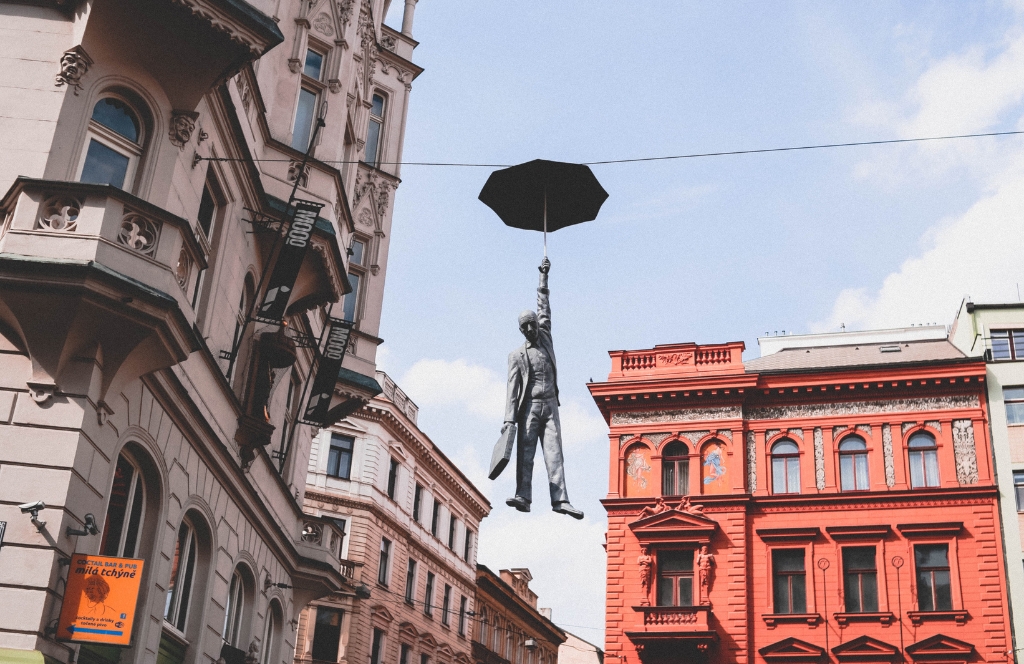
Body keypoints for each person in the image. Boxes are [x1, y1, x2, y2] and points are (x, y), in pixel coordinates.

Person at [502, 258, 583, 519]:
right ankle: (523, 497)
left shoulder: (545, 335)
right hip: (528, 408)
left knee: (554, 454)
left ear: (538, 324)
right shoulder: (516, 356)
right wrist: (508, 419)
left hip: (550, 406)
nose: (528, 329)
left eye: (531, 324)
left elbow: (544, 305)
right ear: (519, 329)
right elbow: (511, 390)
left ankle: (561, 500)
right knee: (525, 455)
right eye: (523, 327)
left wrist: (543, 278)